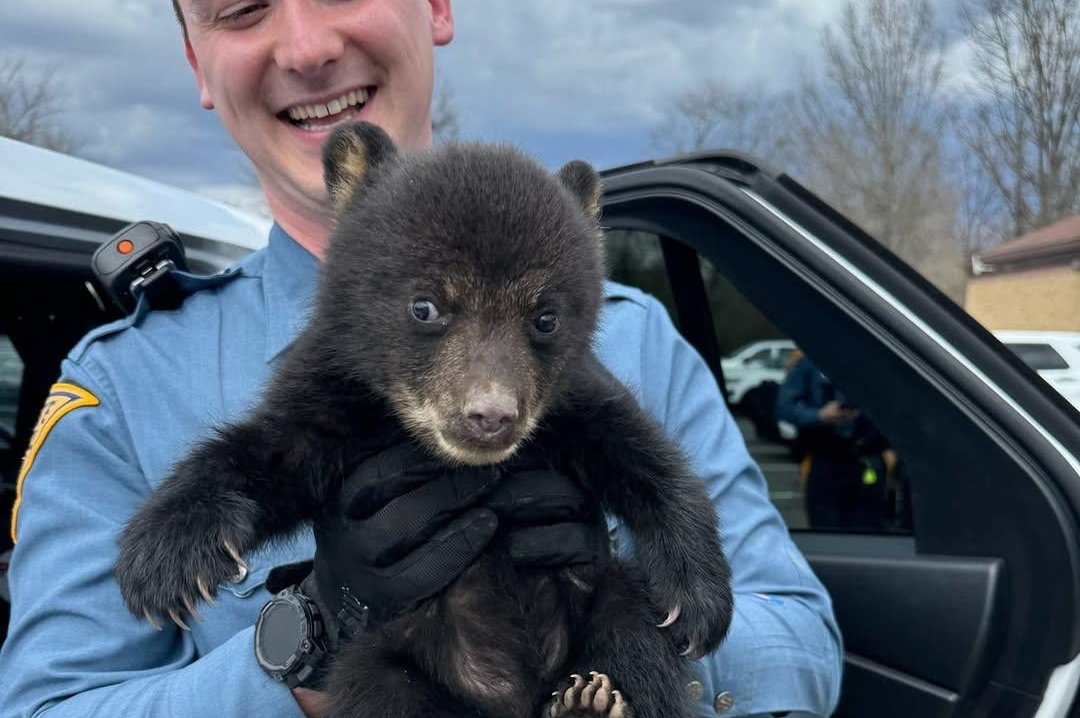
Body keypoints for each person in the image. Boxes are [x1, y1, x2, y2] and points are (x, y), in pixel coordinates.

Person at [0, 2, 842, 716]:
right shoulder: (121, 389)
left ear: (437, 5)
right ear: (195, 57)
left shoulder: (635, 342)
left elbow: (798, 634)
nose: (307, 48)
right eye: (243, 5)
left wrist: (651, 625)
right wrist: (299, 654)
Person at [776, 354, 890, 531]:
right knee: (826, 532)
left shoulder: (880, 361)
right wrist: (819, 415)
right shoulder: (810, 363)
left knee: (869, 533)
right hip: (826, 459)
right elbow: (784, 407)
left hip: (868, 458)